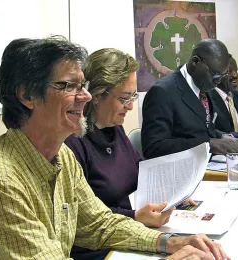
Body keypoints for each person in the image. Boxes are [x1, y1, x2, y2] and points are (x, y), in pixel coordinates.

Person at [0, 36, 229, 260]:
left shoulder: (60, 156)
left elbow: (99, 224)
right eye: (70, 86)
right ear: (27, 95)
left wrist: (168, 242)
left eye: (84, 85)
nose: (86, 96)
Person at [65, 48, 175, 259]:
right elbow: (85, 218)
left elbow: (141, 169)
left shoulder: (113, 127)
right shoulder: (73, 142)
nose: (131, 106)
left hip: (131, 233)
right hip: (101, 248)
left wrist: (176, 186)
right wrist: (134, 216)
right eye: (125, 98)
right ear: (97, 96)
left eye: (133, 96)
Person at [141, 39, 238, 159]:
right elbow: (153, 147)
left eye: (222, 75)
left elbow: (205, 130)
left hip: (207, 165)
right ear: (196, 62)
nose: (218, 81)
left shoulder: (205, 86)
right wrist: (208, 145)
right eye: (215, 75)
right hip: (179, 171)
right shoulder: (162, 92)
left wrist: (226, 137)